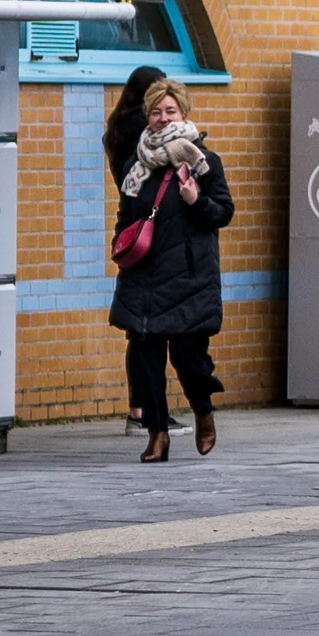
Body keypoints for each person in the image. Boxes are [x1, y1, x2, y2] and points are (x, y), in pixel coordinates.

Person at [111, 85, 232, 461]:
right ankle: (158, 435)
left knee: (189, 360)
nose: (163, 118)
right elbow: (126, 214)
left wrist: (197, 201)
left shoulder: (202, 159)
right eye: (156, 112)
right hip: (143, 275)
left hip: (188, 276)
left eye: (170, 111)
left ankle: (203, 410)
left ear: (183, 114)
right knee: (144, 360)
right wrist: (121, 241)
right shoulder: (137, 165)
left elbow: (224, 212)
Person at [102, 66, 173, 432]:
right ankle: (145, 411)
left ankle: (140, 409)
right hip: (151, 225)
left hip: (133, 226)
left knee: (140, 330)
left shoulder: (117, 129)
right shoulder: (141, 135)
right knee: (149, 331)